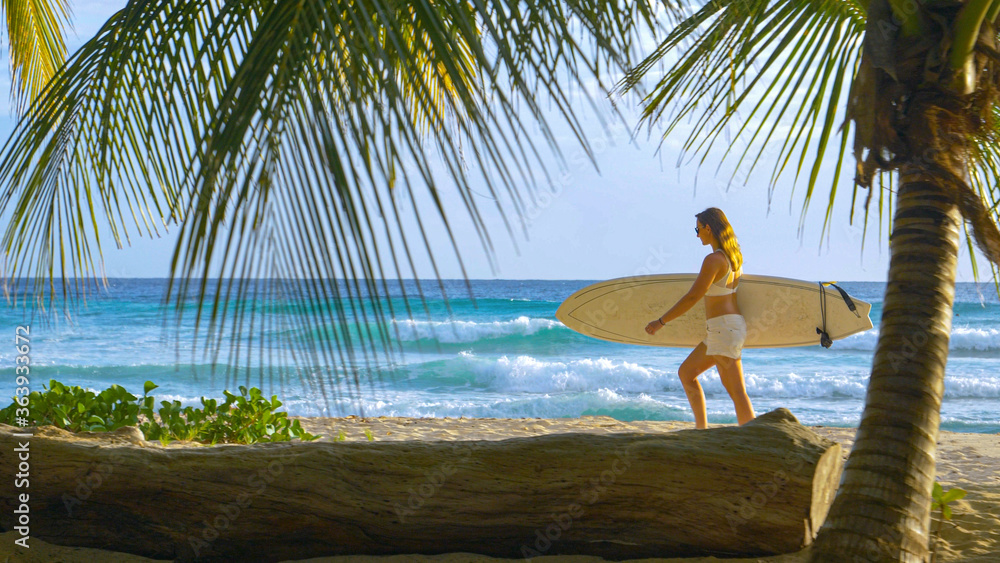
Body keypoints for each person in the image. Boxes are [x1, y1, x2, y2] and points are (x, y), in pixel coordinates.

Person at [644, 208, 756, 429]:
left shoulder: (713, 259)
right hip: (723, 329)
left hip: (724, 329)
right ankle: (701, 429)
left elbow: (693, 296)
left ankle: (754, 435)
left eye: (697, 229)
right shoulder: (734, 257)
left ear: (708, 228)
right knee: (687, 373)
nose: (696, 235)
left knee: (736, 391)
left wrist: (661, 322)